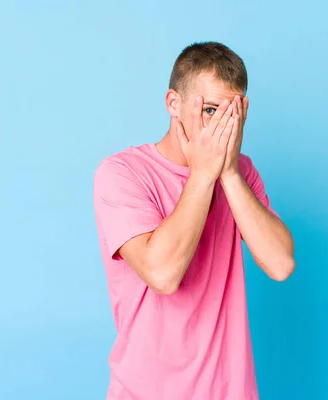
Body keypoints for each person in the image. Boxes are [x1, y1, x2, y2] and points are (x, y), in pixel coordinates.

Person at [93, 41, 295, 400]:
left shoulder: (241, 172)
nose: (221, 127)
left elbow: (280, 264)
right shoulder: (122, 173)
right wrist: (202, 175)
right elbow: (163, 274)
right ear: (174, 104)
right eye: (211, 110)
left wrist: (229, 174)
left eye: (231, 114)